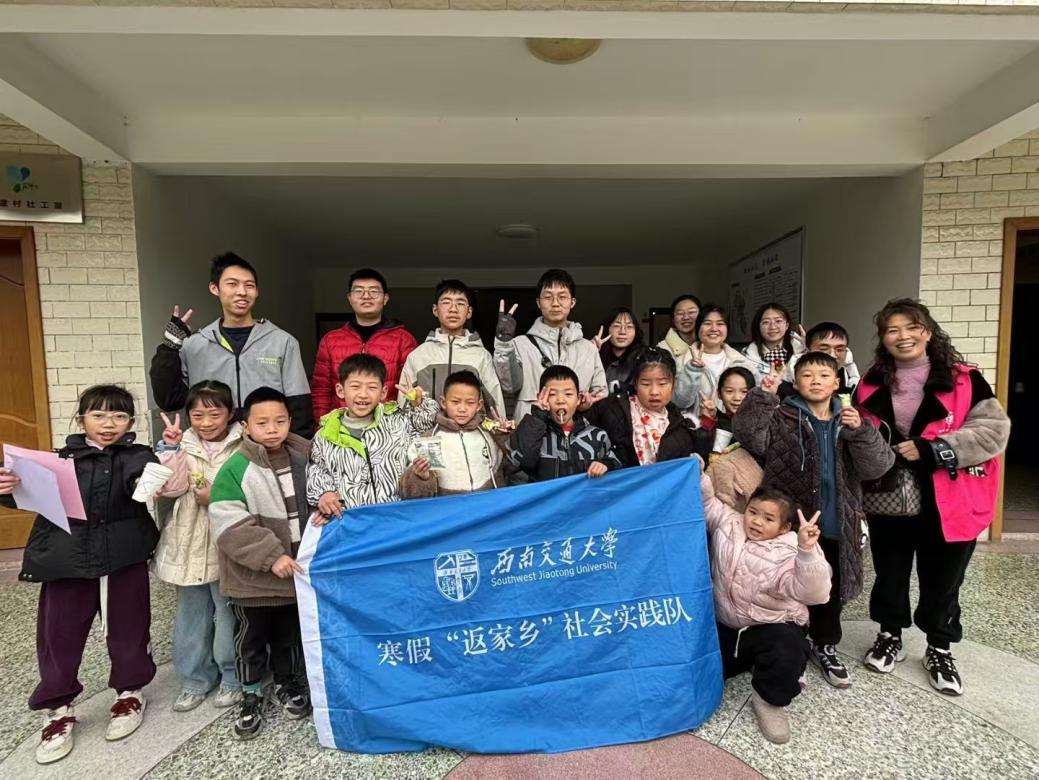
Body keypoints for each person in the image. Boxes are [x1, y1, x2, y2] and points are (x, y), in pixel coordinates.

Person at [0, 386, 167, 764]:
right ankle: (57, 708)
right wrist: (8, 490)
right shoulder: (58, 459)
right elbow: (27, 494)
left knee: (129, 629)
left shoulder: (137, 455)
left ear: (131, 422)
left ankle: (129, 693)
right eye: (99, 415)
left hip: (123, 557)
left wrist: (150, 481)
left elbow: (140, 482)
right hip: (66, 560)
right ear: (81, 419)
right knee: (59, 635)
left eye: (119, 416)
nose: (109, 424)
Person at [856, 298, 1010, 695]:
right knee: (890, 570)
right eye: (892, 330)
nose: (903, 336)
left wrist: (934, 448)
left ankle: (939, 647)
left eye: (912, 327)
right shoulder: (871, 381)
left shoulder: (964, 379)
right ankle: (889, 634)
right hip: (888, 494)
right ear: (883, 338)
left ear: (927, 332)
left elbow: (994, 431)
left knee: (943, 576)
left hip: (950, 495)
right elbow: (860, 436)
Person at [733, 352, 895, 690]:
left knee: (827, 590)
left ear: (837, 382)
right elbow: (750, 436)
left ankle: (825, 645)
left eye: (824, 375)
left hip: (837, 521)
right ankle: (794, 650)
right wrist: (762, 396)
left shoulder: (850, 419)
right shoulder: (782, 415)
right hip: (790, 523)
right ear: (796, 382)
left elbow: (878, 466)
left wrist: (861, 431)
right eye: (807, 375)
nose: (816, 381)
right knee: (785, 586)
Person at [208, 387, 314, 740]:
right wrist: (271, 556)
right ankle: (250, 693)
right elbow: (227, 522)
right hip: (253, 581)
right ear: (245, 425)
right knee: (250, 640)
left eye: (280, 421)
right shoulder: (236, 467)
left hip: (294, 577)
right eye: (262, 422)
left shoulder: (305, 457)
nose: (272, 429)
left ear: (290, 421)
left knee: (288, 637)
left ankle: (287, 683)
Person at [699, 466, 831, 744]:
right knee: (698, 669)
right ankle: (748, 663)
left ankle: (769, 701)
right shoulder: (730, 523)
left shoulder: (790, 551)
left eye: (768, 518)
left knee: (787, 648)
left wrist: (807, 552)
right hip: (726, 626)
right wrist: (698, 476)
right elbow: (708, 505)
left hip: (769, 626)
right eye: (753, 512)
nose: (756, 521)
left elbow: (815, 594)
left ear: (784, 528)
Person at [150, 252, 313, 438]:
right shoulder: (194, 345)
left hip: (267, 447)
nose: (242, 292)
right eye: (232, 284)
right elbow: (168, 400)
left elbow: (299, 403)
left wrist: (297, 449)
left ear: (257, 291)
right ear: (214, 288)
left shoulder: (282, 342)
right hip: (212, 447)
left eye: (249, 285)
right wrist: (168, 348)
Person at [152, 380, 243, 713]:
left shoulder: (243, 443)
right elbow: (171, 489)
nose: (206, 422)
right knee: (191, 614)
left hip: (226, 539)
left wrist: (217, 496)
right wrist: (171, 450)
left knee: (228, 611)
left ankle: (232, 676)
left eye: (214, 414)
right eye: (198, 415)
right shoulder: (181, 444)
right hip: (188, 540)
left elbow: (251, 486)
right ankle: (195, 679)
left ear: (230, 414)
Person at [308, 354, 438, 520]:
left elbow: (426, 424)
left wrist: (418, 403)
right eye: (355, 386)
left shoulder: (399, 422)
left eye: (372, 387)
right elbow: (317, 469)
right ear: (340, 390)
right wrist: (324, 493)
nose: (363, 394)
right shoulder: (325, 434)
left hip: (397, 519)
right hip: (352, 522)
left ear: (383, 392)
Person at [494, 269, 607, 422]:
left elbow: (600, 394)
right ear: (538, 303)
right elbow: (509, 386)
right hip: (530, 430)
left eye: (562, 297)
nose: (555, 303)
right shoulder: (520, 344)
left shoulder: (588, 349)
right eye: (548, 297)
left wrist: (586, 404)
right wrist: (503, 343)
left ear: (572, 302)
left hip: (575, 431)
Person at [311, 268, 418, 422]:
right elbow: (321, 390)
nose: (366, 296)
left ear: (385, 298)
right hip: (341, 426)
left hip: (387, 426)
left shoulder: (404, 340)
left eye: (373, 291)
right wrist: (323, 425)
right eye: (359, 291)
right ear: (349, 298)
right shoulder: (330, 340)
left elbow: (409, 390)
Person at [582, 348, 711, 468]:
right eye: (646, 384)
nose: (654, 392)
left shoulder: (682, 425)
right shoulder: (611, 408)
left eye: (662, 384)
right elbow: (576, 433)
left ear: (674, 384)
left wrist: (708, 422)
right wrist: (582, 409)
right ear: (635, 383)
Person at [399, 279, 505, 415]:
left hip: (471, 429)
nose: (453, 309)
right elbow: (403, 402)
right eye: (446, 302)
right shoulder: (418, 355)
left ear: (469, 312)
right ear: (435, 310)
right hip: (427, 429)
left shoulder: (481, 356)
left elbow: (494, 403)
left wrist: (500, 426)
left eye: (460, 303)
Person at [400, 370, 512, 498]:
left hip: (489, 505)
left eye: (470, 403)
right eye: (455, 402)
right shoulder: (430, 440)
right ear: (443, 402)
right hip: (450, 508)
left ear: (479, 405)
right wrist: (421, 477)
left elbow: (510, 466)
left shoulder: (488, 434)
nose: (462, 409)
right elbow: (413, 495)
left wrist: (503, 436)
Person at [507, 365, 621, 481]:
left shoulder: (597, 436)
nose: (560, 400)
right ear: (540, 398)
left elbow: (617, 466)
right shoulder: (533, 434)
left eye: (568, 394)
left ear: (578, 399)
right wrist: (538, 416)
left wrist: (606, 464)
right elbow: (517, 464)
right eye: (552, 394)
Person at [672, 305, 760, 417]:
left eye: (720, 324)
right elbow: (680, 403)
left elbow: (755, 403)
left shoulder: (742, 363)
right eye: (707, 323)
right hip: (696, 426)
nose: (714, 328)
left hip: (735, 426)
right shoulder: (682, 362)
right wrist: (692, 371)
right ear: (698, 328)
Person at [702, 367, 763, 513]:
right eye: (729, 391)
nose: (737, 397)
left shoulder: (760, 422)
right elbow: (702, 450)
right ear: (719, 394)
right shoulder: (716, 420)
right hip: (718, 496)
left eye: (744, 392)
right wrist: (707, 421)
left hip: (753, 492)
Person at [779, 322, 861, 397]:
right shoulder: (782, 387)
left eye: (839, 349)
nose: (832, 355)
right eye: (824, 349)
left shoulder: (852, 382)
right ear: (808, 350)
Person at [593, 307, 646, 394]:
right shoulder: (594, 355)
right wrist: (591, 353)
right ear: (607, 329)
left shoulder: (644, 358)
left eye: (629, 326)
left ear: (636, 331)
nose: (622, 332)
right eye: (616, 326)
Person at [742, 302, 804, 376]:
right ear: (758, 327)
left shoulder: (801, 349)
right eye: (766, 322)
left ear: (787, 325)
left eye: (778, 321)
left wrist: (810, 348)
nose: (772, 327)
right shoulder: (748, 355)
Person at [657, 294, 702, 367]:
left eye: (691, 312)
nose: (686, 317)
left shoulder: (710, 344)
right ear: (673, 320)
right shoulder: (662, 348)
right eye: (680, 313)